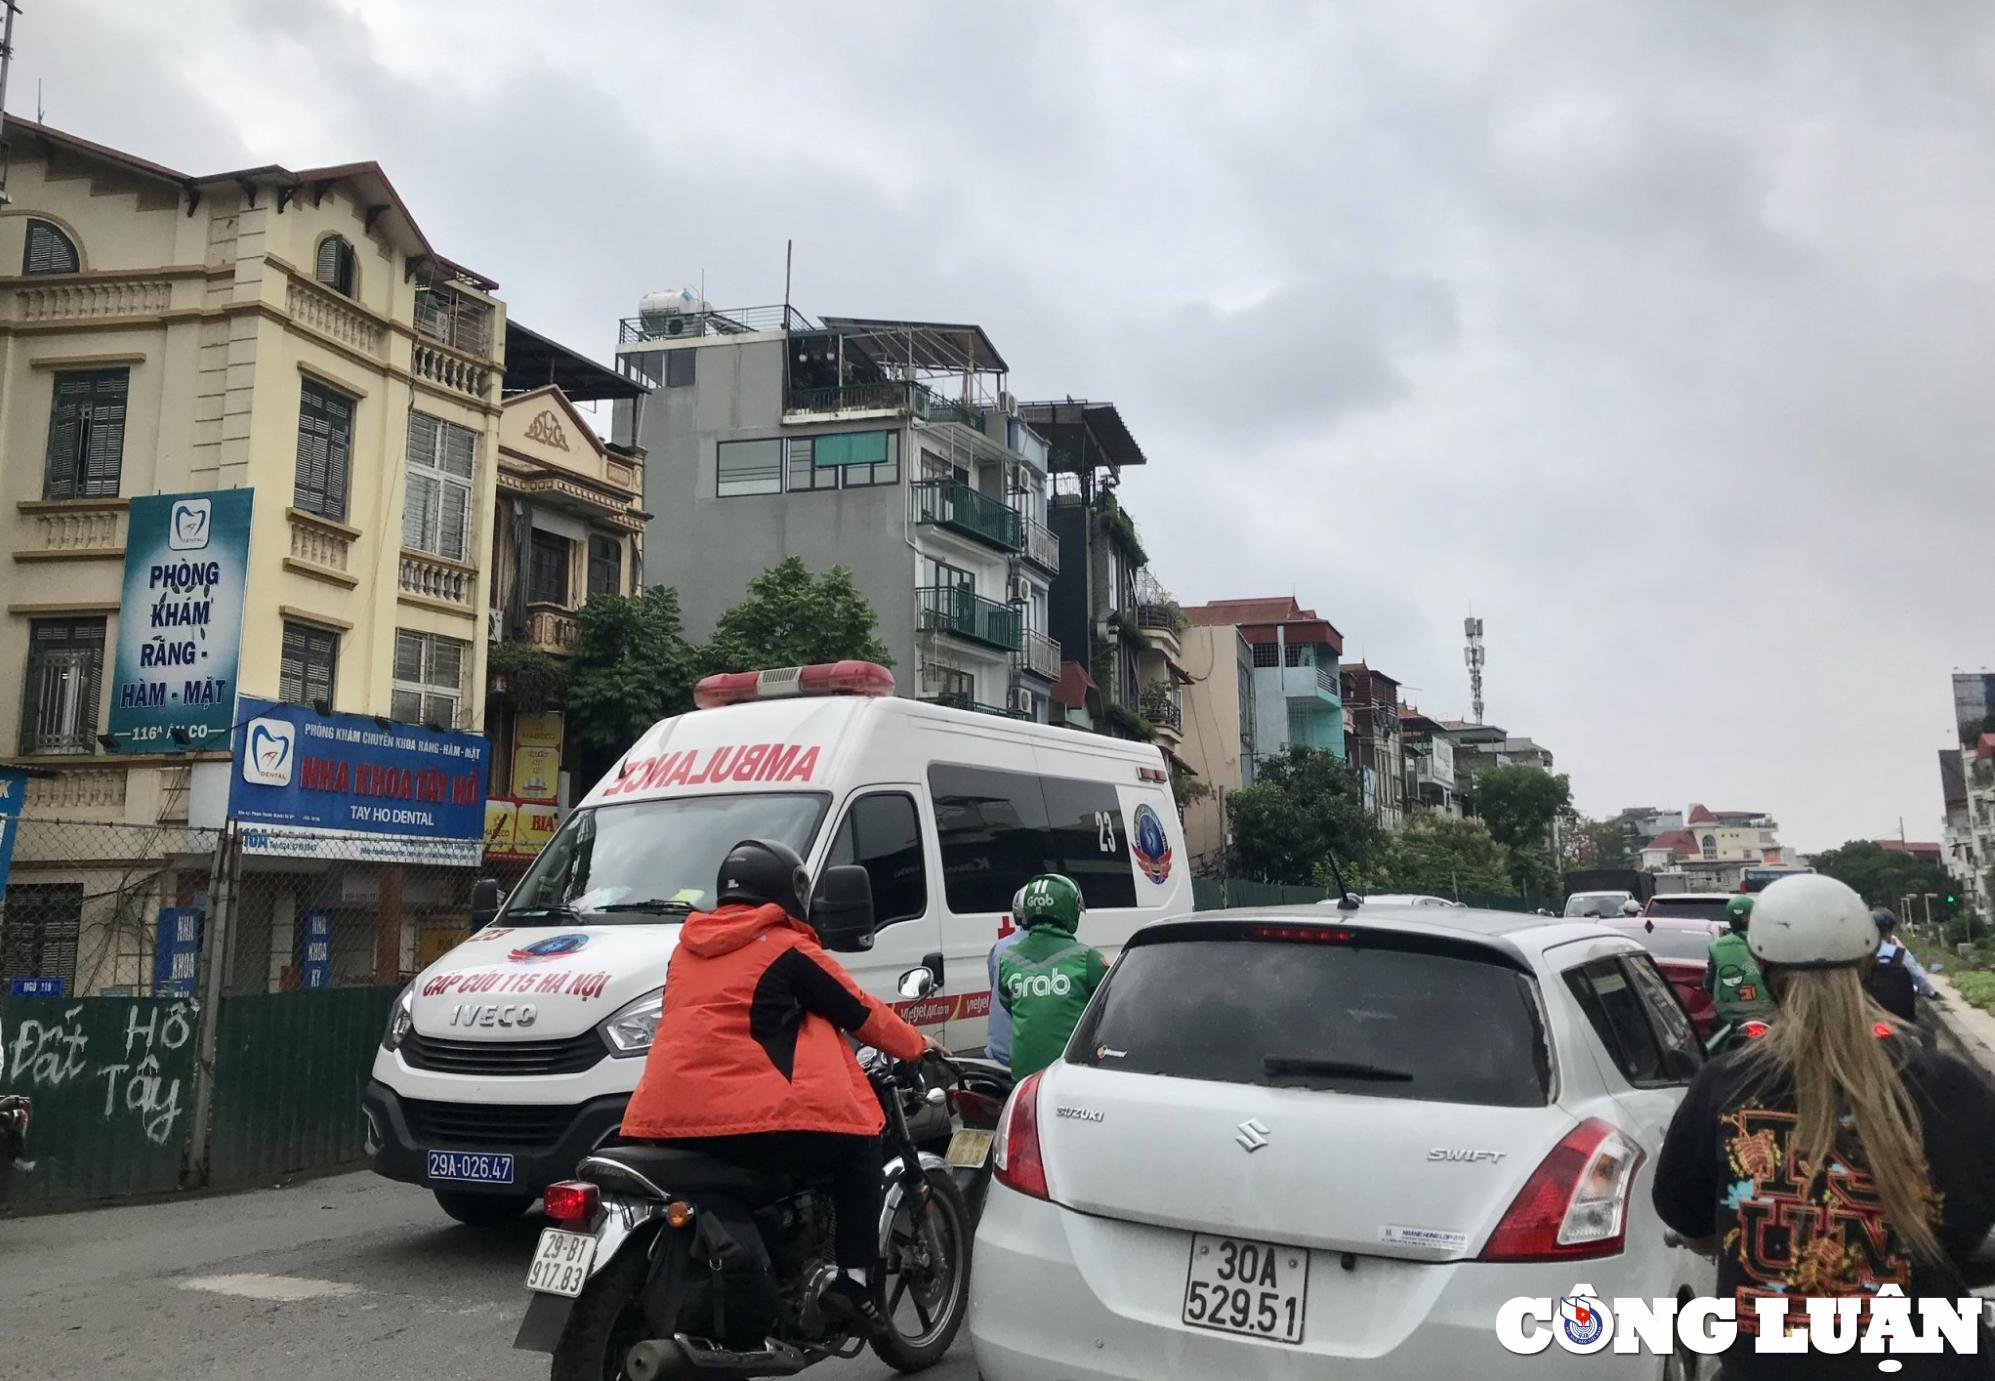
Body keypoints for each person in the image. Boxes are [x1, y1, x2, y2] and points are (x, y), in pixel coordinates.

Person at [1654, 873, 1995, 1379]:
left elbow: (1685, 1214)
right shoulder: (1944, 1084)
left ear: (1763, 965)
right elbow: (1971, 1231)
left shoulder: (1724, 1083)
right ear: (1866, 963)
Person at [620, 838, 943, 1335]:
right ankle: (855, 1287)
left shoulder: (684, 953)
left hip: (666, 1119)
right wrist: (917, 1046)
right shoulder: (788, 949)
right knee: (859, 1146)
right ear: (789, 891)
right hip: (752, 1122)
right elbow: (860, 1013)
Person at [998, 874, 1109, 1079]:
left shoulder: (1007, 959)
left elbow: (1009, 1005)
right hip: (1071, 1075)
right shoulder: (1088, 959)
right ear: (1069, 908)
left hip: (1023, 1079)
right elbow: (1111, 1012)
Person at [1704, 894, 1775, 1032]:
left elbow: (1709, 985)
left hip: (1728, 1016)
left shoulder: (1716, 946)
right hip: (1767, 1013)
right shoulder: (1770, 942)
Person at [983, 885, 1029, 1067]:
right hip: (1031, 1063)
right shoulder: (1070, 952)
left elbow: (996, 988)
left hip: (997, 1055)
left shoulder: (1000, 947)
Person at [1869, 906, 1940, 1024]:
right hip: (1899, 1011)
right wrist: (1931, 992)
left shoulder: (1861, 954)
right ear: (1889, 930)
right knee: (1926, 1029)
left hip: (1869, 1009)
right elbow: (1916, 974)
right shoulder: (1898, 952)